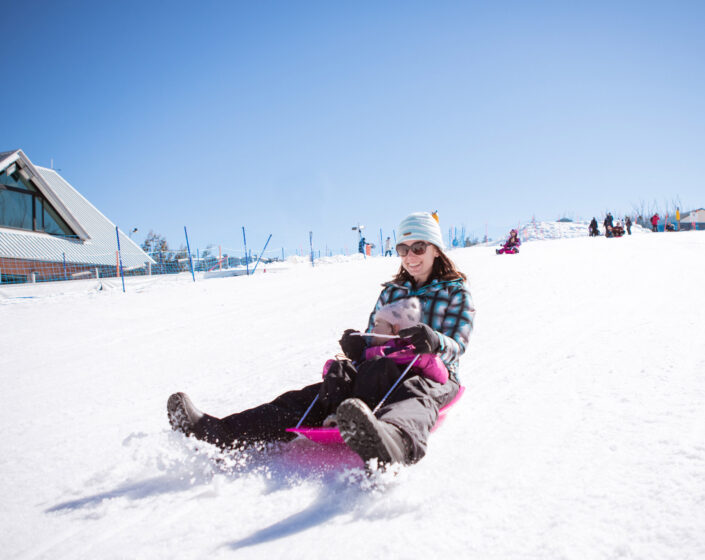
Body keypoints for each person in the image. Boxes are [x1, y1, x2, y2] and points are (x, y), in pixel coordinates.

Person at [167, 211, 475, 466]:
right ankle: (219, 433)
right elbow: (375, 336)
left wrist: (434, 340)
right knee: (314, 394)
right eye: (403, 249)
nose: (410, 256)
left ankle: (391, 442)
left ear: (436, 249)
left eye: (418, 247)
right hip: (384, 369)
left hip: (433, 376)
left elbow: (456, 347)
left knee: (414, 395)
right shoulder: (392, 292)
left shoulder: (455, 293)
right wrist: (359, 344)